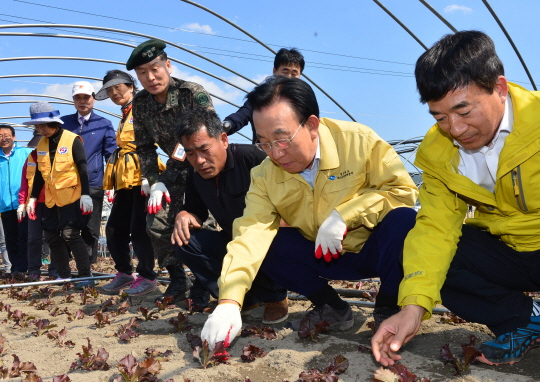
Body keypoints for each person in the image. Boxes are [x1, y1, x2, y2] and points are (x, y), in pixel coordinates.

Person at [200, 76, 418, 349]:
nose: (275, 153)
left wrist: (344, 215)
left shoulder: (358, 141)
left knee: (404, 221)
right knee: (267, 243)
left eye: (281, 139)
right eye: (263, 143)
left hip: (374, 249)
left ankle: (388, 305)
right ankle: (332, 307)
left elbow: (402, 191)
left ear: (312, 125)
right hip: (324, 254)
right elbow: (250, 232)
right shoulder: (265, 174)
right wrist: (229, 301)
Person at [372, 30, 540, 367]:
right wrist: (413, 309)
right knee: (432, 251)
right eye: (440, 117)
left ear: (500, 89)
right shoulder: (437, 153)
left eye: (464, 111)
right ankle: (526, 319)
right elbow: (435, 228)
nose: (456, 129)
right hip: (508, 250)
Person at [172, 108, 289, 323]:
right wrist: (185, 215)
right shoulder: (195, 174)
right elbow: (196, 211)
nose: (198, 160)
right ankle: (241, 298)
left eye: (204, 149)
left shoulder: (253, 158)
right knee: (185, 241)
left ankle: (275, 297)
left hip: (266, 237)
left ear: (223, 140)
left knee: (278, 234)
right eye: (190, 153)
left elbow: (288, 198)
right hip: (233, 240)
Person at [127, 39, 215, 304]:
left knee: (205, 226)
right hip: (175, 174)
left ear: (168, 65)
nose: (150, 78)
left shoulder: (191, 93)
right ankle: (177, 277)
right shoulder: (140, 104)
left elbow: (197, 140)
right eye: (142, 73)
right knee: (157, 223)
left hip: (205, 168)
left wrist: (165, 178)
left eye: (155, 69)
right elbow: (144, 148)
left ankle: (204, 280)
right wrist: (154, 183)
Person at [95, 70, 160, 296]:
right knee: (114, 229)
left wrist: (148, 177)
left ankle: (147, 276)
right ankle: (124, 273)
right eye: (110, 91)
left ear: (131, 86)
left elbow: (153, 142)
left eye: (118, 88)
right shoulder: (126, 113)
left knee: (139, 228)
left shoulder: (144, 108)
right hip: (125, 178)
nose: (114, 93)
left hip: (141, 176)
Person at [23, 102, 94, 288]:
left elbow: (83, 168)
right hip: (51, 198)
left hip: (71, 196)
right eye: (37, 126)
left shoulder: (72, 140)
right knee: (52, 236)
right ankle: (64, 276)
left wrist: (86, 194)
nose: (41, 130)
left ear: (55, 123)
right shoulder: (42, 144)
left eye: (43, 125)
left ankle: (85, 276)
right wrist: (32, 198)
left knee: (70, 234)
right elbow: (39, 172)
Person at [61, 81, 116, 264]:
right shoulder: (63, 123)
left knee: (91, 228)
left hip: (93, 184)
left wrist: (112, 183)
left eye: (87, 97)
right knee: (68, 227)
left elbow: (111, 155)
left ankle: (87, 267)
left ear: (94, 99)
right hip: (67, 184)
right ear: (73, 100)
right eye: (78, 98)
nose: (83, 101)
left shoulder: (104, 124)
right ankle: (69, 265)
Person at [222, 48, 305, 142]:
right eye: (285, 72)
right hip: (263, 151)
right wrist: (227, 125)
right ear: (275, 71)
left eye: (294, 74)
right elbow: (242, 115)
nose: (289, 77)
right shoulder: (261, 97)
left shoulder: (303, 101)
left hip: (293, 152)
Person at [17, 129, 58, 279]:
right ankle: (33, 270)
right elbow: (24, 183)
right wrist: (22, 203)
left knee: (54, 237)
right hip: (34, 205)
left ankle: (55, 270)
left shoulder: (56, 156)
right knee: (33, 238)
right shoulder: (31, 158)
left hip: (54, 203)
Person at [0, 124, 32, 275]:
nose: (3, 139)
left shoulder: (26, 153)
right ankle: (15, 269)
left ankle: (23, 268)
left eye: (6, 135)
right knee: (10, 238)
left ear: (14, 137)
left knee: (25, 236)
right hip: (5, 204)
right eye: (0, 136)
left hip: (23, 204)